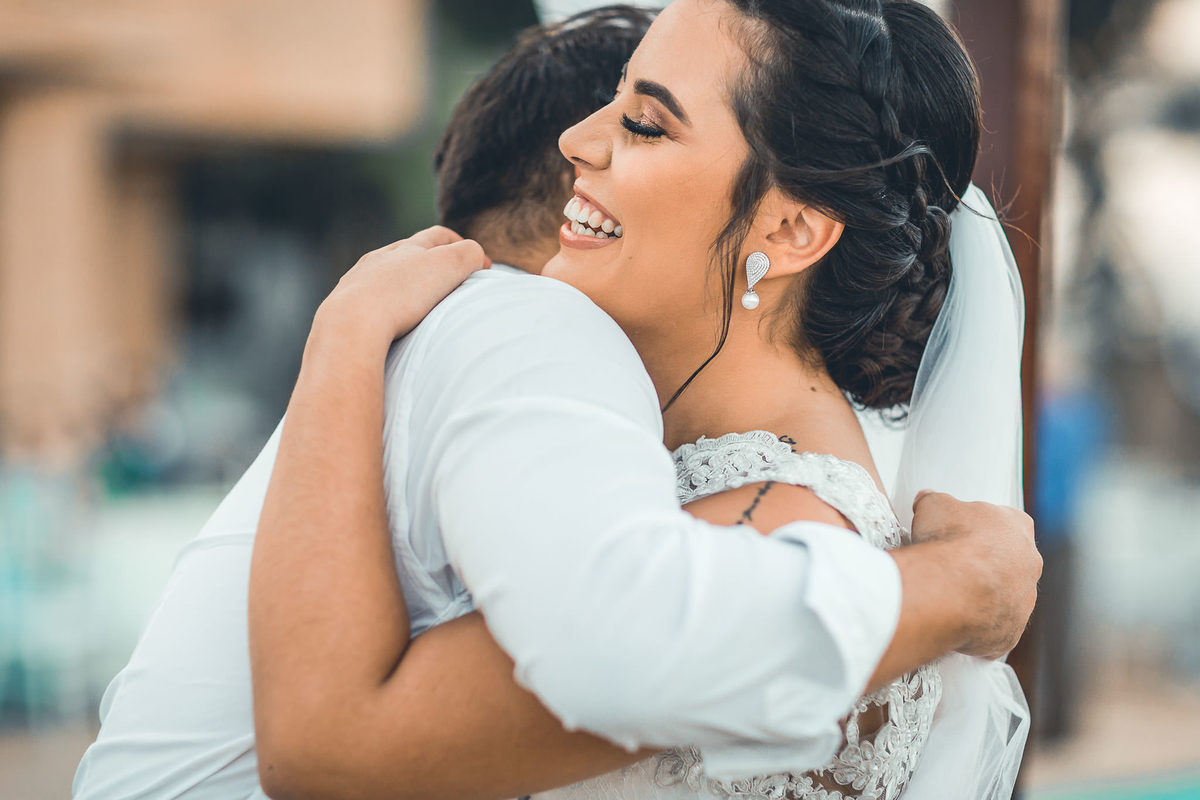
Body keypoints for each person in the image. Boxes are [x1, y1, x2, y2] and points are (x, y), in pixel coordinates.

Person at [73, 5, 1038, 800]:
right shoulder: (735, 500)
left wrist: (342, 339)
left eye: (644, 122)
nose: (576, 142)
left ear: (789, 228)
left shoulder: (762, 526)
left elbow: (333, 747)